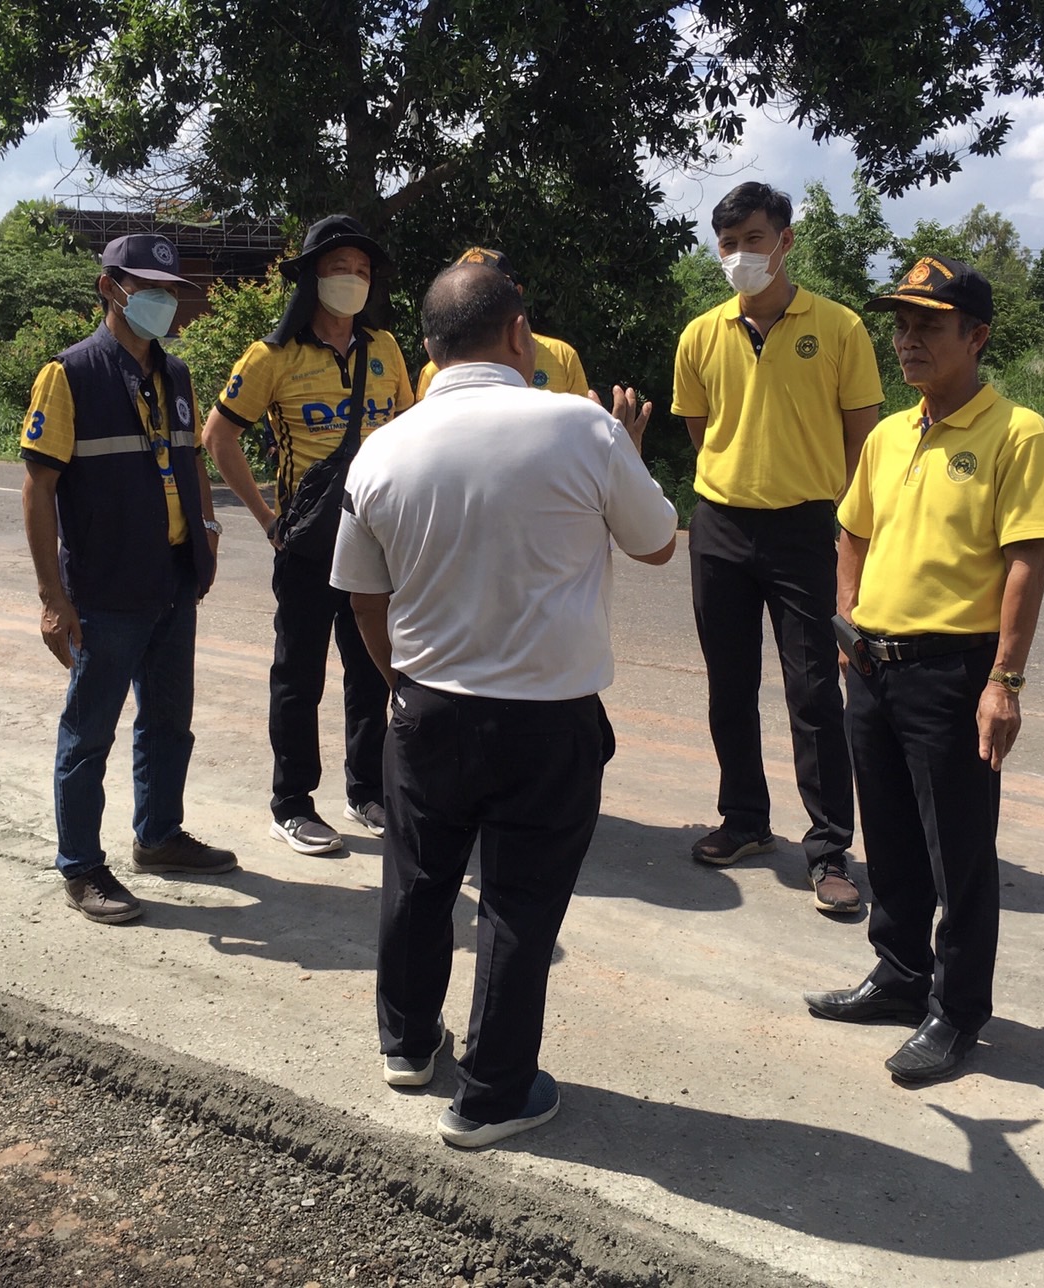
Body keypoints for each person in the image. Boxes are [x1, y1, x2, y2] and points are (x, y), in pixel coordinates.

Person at [332, 263, 678, 1148]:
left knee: (418, 881)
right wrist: (628, 453)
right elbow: (656, 544)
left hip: (427, 706)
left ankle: (408, 1046)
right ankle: (491, 1095)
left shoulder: (383, 448)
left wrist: (400, 682)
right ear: (520, 333)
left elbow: (364, 596)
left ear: (428, 349)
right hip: (546, 719)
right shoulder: (584, 428)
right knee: (519, 903)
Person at [804, 256, 1044, 1083]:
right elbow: (853, 532)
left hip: (953, 673)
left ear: (976, 336)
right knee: (889, 839)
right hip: (873, 666)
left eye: (929, 325)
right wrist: (847, 621)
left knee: (960, 853)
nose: (908, 340)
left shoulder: (1017, 434)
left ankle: (957, 1012)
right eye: (902, 324)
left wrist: (1004, 682)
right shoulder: (889, 435)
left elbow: (1025, 563)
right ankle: (899, 975)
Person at [671, 181, 883, 913]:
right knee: (728, 685)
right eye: (728, 244)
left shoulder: (839, 327)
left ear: (786, 241)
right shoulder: (701, 335)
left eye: (754, 240)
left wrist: (847, 525)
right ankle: (745, 821)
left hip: (805, 528)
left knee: (815, 691)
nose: (740, 255)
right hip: (720, 526)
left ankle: (828, 849)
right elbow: (702, 433)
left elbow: (863, 437)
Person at [21, 234, 238, 925]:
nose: (163, 301)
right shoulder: (70, 374)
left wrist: (206, 531)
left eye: (171, 291)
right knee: (89, 733)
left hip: (172, 577)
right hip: (106, 587)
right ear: (110, 288)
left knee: (169, 722)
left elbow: (192, 460)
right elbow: (38, 487)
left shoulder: (176, 374)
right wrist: (52, 599)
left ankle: (159, 835)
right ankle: (81, 866)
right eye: (148, 289)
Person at [203, 215, 414, 854]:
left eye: (362, 269)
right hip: (309, 543)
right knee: (298, 676)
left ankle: (366, 790)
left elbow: (410, 431)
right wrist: (269, 520)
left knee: (373, 669)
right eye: (338, 267)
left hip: (377, 540)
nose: (352, 279)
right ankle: (292, 803)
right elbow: (218, 435)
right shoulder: (271, 357)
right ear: (311, 278)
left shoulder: (386, 349)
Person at [413, 247, 587, 399]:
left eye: (495, 290)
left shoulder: (561, 355)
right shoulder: (435, 369)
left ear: (517, 293)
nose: (481, 297)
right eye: (471, 291)